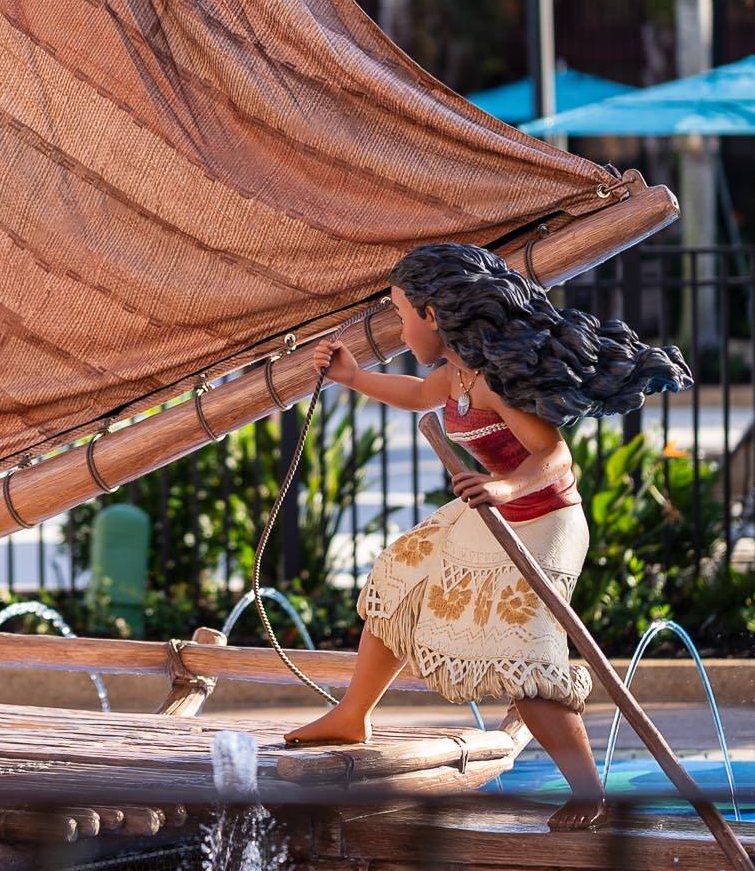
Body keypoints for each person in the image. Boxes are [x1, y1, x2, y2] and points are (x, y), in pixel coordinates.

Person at [280, 243, 691, 830]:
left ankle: (587, 790)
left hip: (543, 521)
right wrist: (351, 377)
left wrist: (504, 489)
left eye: (402, 314)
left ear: (434, 315)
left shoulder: (496, 382)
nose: (399, 329)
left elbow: (555, 457)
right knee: (400, 577)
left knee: (521, 660)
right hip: (489, 513)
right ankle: (352, 713)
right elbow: (416, 396)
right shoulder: (454, 375)